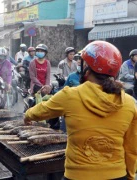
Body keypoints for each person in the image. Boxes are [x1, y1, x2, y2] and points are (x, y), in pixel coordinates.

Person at [24, 41, 137, 180]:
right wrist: (131, 176)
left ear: (87, 68)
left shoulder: (70, 95)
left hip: (77, 175)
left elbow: (40, 111)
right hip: (117, 175)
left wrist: (27, 116)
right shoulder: (130, 103)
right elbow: (132, 148)